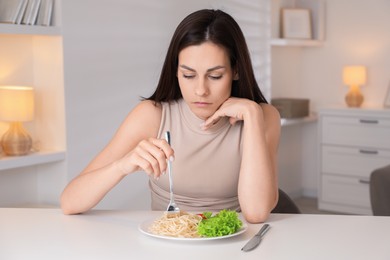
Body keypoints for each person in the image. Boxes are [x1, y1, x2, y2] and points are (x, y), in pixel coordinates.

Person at [60, 9, 280, 223]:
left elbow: (256, 213)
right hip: (168, 243)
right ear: (176, 71)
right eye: (188, 75)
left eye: (215, 76)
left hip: (233, 245)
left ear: (236, 71)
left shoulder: (263, 117)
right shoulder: (152, 115)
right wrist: (122, 165)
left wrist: (252, 114)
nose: (200, 90)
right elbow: (70, 202)